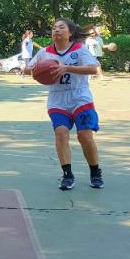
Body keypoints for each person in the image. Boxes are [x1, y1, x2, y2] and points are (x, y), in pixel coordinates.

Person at [24, 18, 103, 190]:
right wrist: (37, 70)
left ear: (70, 33)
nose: (56, 30)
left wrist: (66, 67)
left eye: (61, 27)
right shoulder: (45, 52)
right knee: (61, 133)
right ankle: (67, 175)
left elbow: (93, 68)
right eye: (54, 28)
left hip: (80, 96)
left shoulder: (79, 49)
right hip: (57, 99)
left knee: (84, 136)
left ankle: (95, 171)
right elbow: (27, 69)